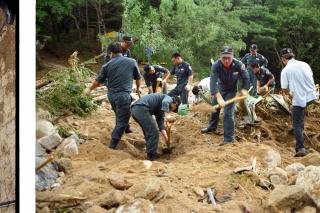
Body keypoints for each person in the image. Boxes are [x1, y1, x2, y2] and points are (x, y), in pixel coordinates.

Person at [84, 42, 142, 149]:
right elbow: (138, 78)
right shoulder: (132, 61)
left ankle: (123, 130)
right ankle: (112, 145)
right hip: (123, 96)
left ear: (111, 53)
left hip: (111, 96)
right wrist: (138, 88)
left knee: (120, 116)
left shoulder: (107, 65)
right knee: (122, 121)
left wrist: (89, 89)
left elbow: (97, 82)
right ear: (120, 51)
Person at [201, 46, 249, 145]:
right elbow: (213, 83)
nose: (226, 61)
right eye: (224, 58)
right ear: (220, 57)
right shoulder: (216, 65)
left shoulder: (239, 65)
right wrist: (218, 97)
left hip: (232, 91)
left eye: (229, 58)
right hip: (220, 89)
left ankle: (229, 138)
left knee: (228, 113)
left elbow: (246, 78)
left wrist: (244, 90)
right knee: (214, 108)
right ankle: (212, 127)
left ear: (232, 57)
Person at [280, 48, 317, 157]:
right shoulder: (305, 64)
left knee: (296, 123)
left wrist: (290, 97)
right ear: (292, 55)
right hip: (311, 96)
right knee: (299, 118)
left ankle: (300, 148)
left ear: (283, 59)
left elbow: (284, 89)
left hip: (299, 99)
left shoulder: (285, 70)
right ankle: (299, 129)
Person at [131, 94, 181, 161]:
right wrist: (167, 117)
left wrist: (166, 138)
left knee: (148, 133)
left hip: (136, 110)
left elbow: (160, 123)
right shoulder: (168, 98)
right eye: (174, 109)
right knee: (154, 133)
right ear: (175, 103)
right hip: (141, 108)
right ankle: (151, 156)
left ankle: (151, 152)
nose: (171, 111)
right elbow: (165, 102)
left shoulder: (161, 108)